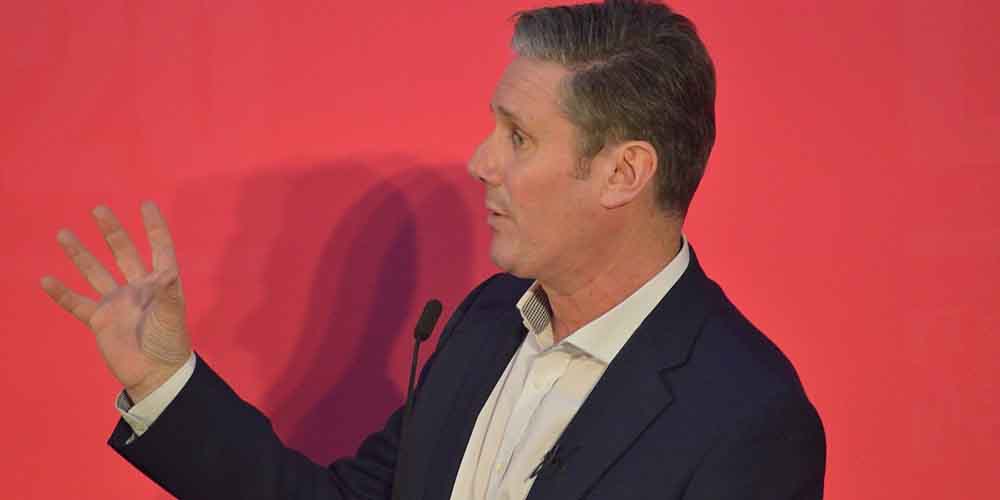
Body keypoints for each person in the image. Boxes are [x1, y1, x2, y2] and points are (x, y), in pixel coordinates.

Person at [41, 0, 826, 498]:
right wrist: (163, 380)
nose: (481, 161)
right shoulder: (486, 323)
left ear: (623, 173)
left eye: (518, 138)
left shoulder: (747, 418)